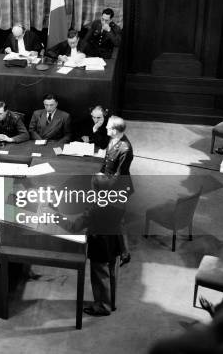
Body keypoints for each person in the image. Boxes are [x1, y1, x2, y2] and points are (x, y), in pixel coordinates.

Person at [56, 188, 125, 317]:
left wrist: (56, 217)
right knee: (111, 275)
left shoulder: (93, 210)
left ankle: (103, 307)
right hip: (114, 244)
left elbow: (74, 227)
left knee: (100, 277)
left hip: (99, 247)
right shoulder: (118, 204)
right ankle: (111, 303)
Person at [93, 115, 134, 266]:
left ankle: (124, 253)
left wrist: (103, 185)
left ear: (116, 131)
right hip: (107, 182)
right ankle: (120, 251)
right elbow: (107, 161)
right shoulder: (114, 139)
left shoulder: (125, 148)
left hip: (117, 187)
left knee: (118, 221)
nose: (106, 128)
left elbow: (119, 174)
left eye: (109, 127)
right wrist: (101, 173)